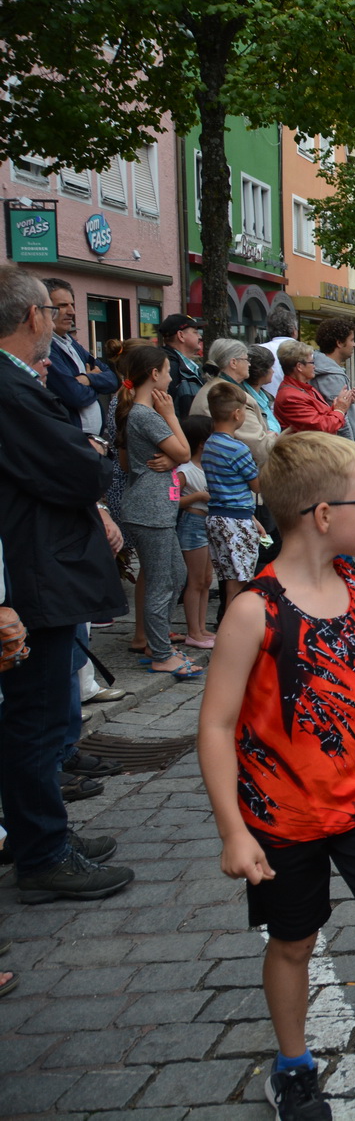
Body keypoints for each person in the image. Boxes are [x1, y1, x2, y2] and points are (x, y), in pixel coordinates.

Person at [194, 432, 355, 1121]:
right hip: (282, 813)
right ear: (324, 515)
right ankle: (293, 1068)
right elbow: (215, 726)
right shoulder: (253, 609)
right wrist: (233, 831)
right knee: (293, 942)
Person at [0, 267, 133, 905]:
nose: (55, 324)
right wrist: (95, 457)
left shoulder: (19, 382)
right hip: (35, 574)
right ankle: (43, 854)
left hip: (40, 568)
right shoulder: (11, 387)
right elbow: (75, 469)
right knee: (36, 719)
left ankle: (46, 838)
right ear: (34, 317)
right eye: (51, 314)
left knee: (49, 715)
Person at [116, 345, 200, 678]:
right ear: (154, 375)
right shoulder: (147, 414)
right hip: (150, 509)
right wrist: (170, 416)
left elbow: (129, 461)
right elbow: (184, 452)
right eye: (167, 371)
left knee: (175, 575)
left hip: (154, 506)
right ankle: (161, 654)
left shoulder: (134, 412)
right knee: (162, 583)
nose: (170, 378)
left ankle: (157, 642)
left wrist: (165, 460)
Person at [203, 382, 264, 614]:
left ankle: (228, 624)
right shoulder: (238, 448)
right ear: (237, 414)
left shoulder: (209, 444)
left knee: (231, 581)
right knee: (241, 583)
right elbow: (257, 485)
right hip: (237, 521)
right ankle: (236, 628)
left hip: (217, 517)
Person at [41, 278, 119, 436]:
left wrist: (87, 379)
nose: (72, 311)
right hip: (71, 440)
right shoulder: (46, 346)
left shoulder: (71, 343)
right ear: (45, 308)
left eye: (72, 305)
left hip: (91, 440)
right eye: (63, 305)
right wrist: (96, 383)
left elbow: (113, 380)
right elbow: (74, 395)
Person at [191, 339, 277, 463]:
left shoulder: (214, 387)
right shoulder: (229, 396)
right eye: (246, 359)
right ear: (233, 363)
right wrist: (273, 436)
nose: (249, 364)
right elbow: (259, 448)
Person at [176, 415, 215, 649]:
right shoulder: (185, 470)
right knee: (196, 580)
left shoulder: (207, 466)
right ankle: (193, 631)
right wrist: (198, 496)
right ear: (202, 443)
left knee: (207, 580)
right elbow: (172, 499)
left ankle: (201, 627)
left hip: (208, 523)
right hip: (193, 523)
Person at [275, 341, 355, 435]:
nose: (314, 366)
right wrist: (340, 409)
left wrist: (340, 404)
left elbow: (321, 417)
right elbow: (322, 427)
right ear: (299, 367)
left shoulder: (303, 388)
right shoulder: (291, 398)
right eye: (312, 362)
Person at [312, 318, 355, 441]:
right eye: (351, 340)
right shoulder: (331, 375)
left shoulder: (323, 367)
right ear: (339, 343)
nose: (354, 344)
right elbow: (341, 419)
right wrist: (352, 447)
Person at [158, 312, 206, 418]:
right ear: (181, 335)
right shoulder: (170, 368)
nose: (200, 337)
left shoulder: (188, 367)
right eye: (195, 332)